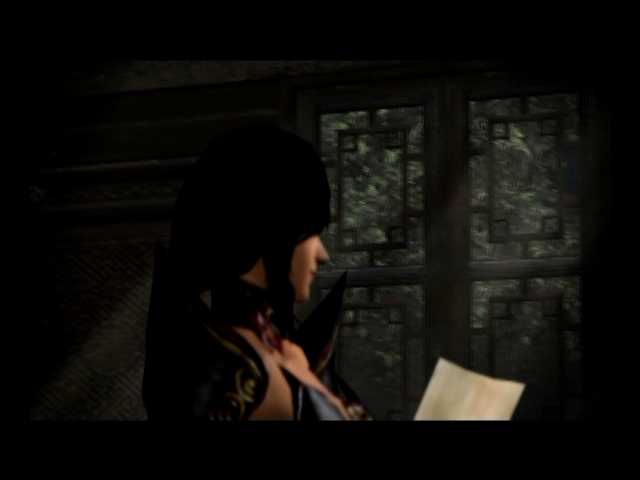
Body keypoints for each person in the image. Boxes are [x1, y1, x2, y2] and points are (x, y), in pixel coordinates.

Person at [142, 125, 371, 420]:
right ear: (271, 232)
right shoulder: (221, 370)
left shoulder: (283, 346)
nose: (322, 254)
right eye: (310, 233)